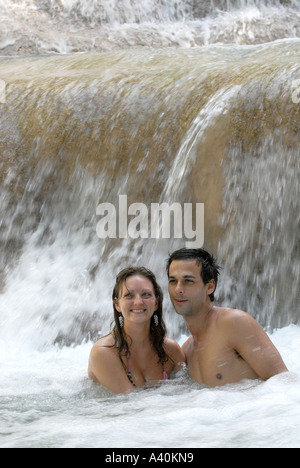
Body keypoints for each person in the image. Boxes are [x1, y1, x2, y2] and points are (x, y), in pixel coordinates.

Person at [167, 247, 288, 387]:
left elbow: (283, 382)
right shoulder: (187, 350)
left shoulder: (234, 323)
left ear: (210, 286)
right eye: (173, 281)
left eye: (188, 281)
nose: (178, 289)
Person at [88, 266, 185, 394]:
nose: (138, 302)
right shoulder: (103, 352)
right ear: (117, 304)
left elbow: (187, 393)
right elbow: (132, 406)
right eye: (129, 295)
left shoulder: (171, 350)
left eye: (146, 294)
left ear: (156, 303)